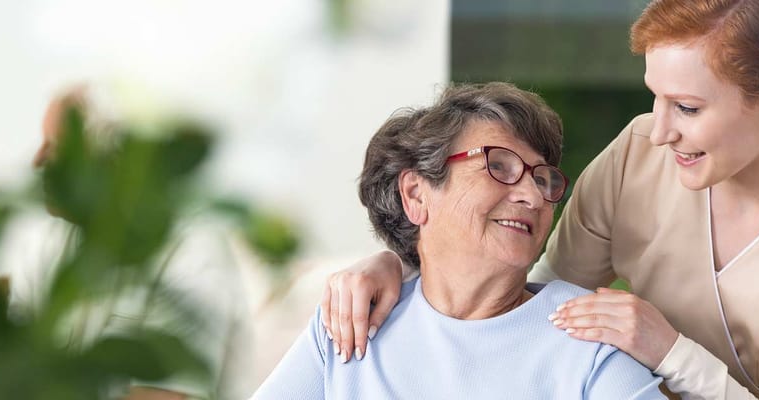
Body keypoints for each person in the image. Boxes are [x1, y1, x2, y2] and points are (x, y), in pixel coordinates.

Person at [317, 1, 759, 399]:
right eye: (655, 98)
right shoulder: (641, 155)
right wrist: (400, 260)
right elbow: (520, 300)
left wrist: (671, 352)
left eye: (688, 108)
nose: (660, 129)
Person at [253, 82, 666, 399]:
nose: (533, 195)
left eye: (542, 178)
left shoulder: (586, 342)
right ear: (416, 195)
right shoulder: (350, 323)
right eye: (499, 166)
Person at [0, 86, 259, 400]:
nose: (37, 162)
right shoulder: (50, 241)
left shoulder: (192, 250)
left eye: (54, 148)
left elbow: (161, 397)